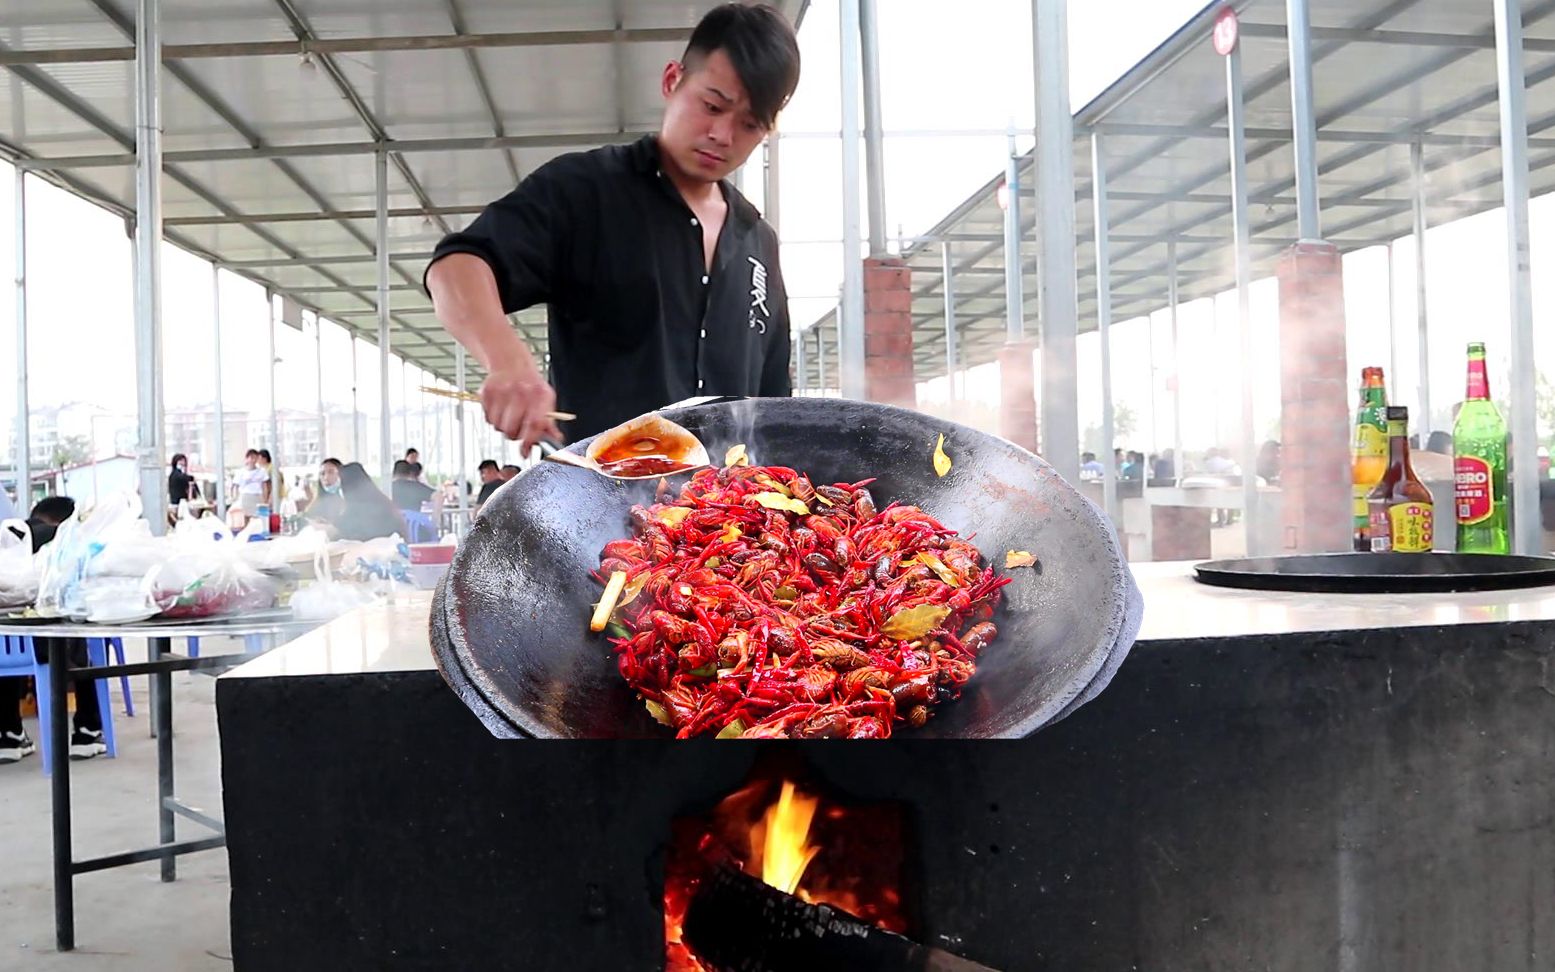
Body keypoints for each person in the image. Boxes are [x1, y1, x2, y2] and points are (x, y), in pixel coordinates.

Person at [425, 4, 801, 449]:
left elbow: (775, 400)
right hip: (600, 500)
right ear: (672, 80)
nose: (723, 134)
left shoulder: (759, 241)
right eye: (712, 105)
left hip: (725, 512)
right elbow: (456, 267)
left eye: (749, 124)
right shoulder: (587, 190)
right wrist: (507, 360)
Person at [0, 496, 107, 763]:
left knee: (10, 639)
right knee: (87, 635)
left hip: (7, 652)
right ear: (65, 521)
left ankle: (9, 734)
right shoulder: (64, 543)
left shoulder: (8, 538)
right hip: (55, 649)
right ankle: (87, 730)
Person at [331, 462, 407, 541]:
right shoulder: (376, 499)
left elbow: (348, 529)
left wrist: (330, 528)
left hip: (381, 548)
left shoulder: (363, 506)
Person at [304, 458, 347, 524]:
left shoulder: (349, 498)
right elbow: (306, 517)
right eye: (322, 474)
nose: (326, 477)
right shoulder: (319, 499)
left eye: (331, 472)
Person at [232, 449, 269, 514]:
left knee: (260, 518)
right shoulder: (240, 472)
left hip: (258, 496)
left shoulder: (262, 471)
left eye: (255, 458)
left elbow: (265, 486)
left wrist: (265, 499)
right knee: (244, 517)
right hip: (245, 497)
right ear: (247, 459)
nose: (253, 460)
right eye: (251, 458)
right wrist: (236, 499)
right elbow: (236, 487)